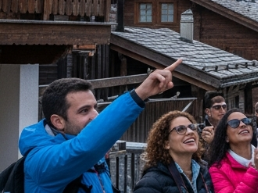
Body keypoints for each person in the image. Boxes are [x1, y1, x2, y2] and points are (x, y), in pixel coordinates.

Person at [20, 60, 181, 193]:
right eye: (84, 111)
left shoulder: (95, 155)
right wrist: (140, 94)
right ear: (58, 121)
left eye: (94, 108)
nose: (95, 116)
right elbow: (84, 148)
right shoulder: (39, 162)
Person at [133, 110, 213, 193]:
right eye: (180, 129)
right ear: (166, 143)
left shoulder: (207, 173)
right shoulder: (151, 183)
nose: (190, 132)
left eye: (192, 127)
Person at [208, 110, 258, 193]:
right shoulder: (218, 168)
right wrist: (256, 170)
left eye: (246, 121)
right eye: (234, 123)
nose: (243, 125)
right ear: (226, 137)